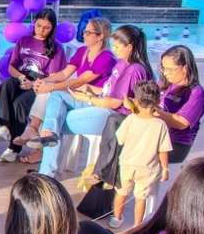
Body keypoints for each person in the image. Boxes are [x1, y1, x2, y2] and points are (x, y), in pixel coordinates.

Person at [30, 24, 153, 177]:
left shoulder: (134, 69)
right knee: (56, 96)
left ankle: (46, 170)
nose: (113, 49)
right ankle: (49, 134)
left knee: (57, 119)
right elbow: (109, 91)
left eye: (116, 46)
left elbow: (115, 103)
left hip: (112, 115)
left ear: (129, 47)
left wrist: (88, 98)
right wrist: (90, 89)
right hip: (100, 102)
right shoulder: (122, 63)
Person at [88, 44, 204, 188]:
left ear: (185, 68)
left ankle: (112, 184)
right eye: (163, 68)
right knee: (115, 121)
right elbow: (147, 101)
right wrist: (136, 105)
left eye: (170, 69)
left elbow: (181, 122)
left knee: (124, 147)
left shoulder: (195, 93)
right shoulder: (165, 84)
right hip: (149, 131)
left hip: (171, 144)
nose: (166, 73)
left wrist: (156, 112)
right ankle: (106, 176)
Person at [11, 18, 116, 164]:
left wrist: (51, 87)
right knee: (47, 95)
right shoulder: (82, 51)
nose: (83, 35)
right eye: (84, 31)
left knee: (51, 95)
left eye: (88, 32)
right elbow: (63, 74)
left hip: (93, 99)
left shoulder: (106, 57)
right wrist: (42, 82)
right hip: (78, 95)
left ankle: (37, 140)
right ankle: (35, 132)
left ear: (100, 36)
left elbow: (81, 81)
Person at [0, 8, 66, 163]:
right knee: (6, 85)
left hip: (41, 83)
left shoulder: (56, 48)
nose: (42, 30)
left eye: (46, 28)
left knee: (19, 103)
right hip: (22, 76)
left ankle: (14, 148)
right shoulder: (24, 41)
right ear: (34, 23)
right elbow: (12, 66)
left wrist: (33, 83)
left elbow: (54, 77)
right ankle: (3, 126)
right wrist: (21, 78)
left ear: (53, 28)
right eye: (39, 26)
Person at [109, 81, 172, 228]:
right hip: (148, 167)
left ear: (136, 101)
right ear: (158, 101)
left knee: (122, 192)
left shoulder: (130, 119)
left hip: (127, 164)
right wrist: (166, 169)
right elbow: (163, 149)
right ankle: (137, 226)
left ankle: (116, 219)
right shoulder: (160, 124)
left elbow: (120, 139)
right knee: (141, 197)